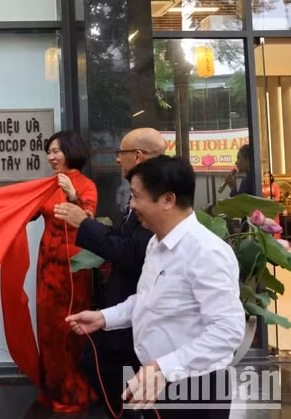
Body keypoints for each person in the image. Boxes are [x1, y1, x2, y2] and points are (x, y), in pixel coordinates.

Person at [67, 155, 245, 419]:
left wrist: (165, 366)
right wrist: (104, 318)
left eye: (137, 196)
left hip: (192, 388)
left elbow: (227, 331)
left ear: (168, 200)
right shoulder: (156, 244)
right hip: (157, 380)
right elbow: (147, 299)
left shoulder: (206, 252)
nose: (132, 204)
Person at [54, 127, 165, 417]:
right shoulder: (140, 192)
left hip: (139, 305)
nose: (117, 160)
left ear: (138, 156)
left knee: (105, 365)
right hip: (124, 304)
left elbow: (132, 252)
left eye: (121, 153)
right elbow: (121, 237)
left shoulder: (157, 197)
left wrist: (85, 223)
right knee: (97, 362)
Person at [35, 130, 97, 413]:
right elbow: (26, 210)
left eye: (55, 151)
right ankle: (55, 387)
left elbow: (89, 222)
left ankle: (75, 388)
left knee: (71, 327)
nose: (50, 157)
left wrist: (73, 196)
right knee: (48, 327)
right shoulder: (46, 186)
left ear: (71, 151)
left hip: (73, 266)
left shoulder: (86, 185)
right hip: (47, 264)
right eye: (48, 152)